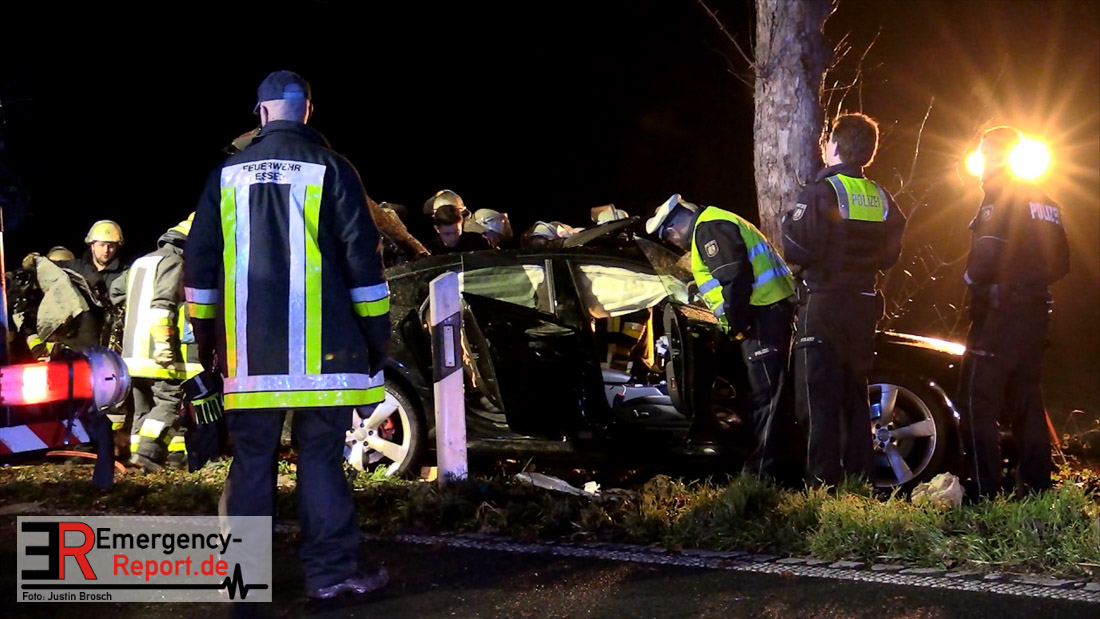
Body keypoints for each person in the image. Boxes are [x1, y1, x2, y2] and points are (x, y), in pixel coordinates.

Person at [184, 70, 392, 600]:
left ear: (260, 113)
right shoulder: (335, 170)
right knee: (320, 457)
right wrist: (376, 339)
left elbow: (200, 266)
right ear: (307, 112)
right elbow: (363, 263)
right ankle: (331, 574)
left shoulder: (225, 175)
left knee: (252, 459)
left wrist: (206, 342)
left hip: (248, 352)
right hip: (326, 353)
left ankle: (242, 578)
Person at [781, 113, 906, 487]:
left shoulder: (821, 191)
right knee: (854, 396)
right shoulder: (882, 197)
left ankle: (821, 486)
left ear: (833, 146)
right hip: (864, 304)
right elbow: (889, 256)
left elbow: (798, 248)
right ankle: (858, 483)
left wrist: (789, 222)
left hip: (824, 302)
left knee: (815, 396)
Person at [647, 194, 799, 482]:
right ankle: (774, 468)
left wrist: (736, 325)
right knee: (770, 394)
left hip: (761, 316)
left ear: (672, 229)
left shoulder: (710, 228)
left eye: (669, 237)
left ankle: (762, 476)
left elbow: (734, 279)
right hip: (769, 312)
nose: (674, 242)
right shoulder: (717, 220)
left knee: (769, 397)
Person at [956, 126, 1069, 501]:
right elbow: (1062, 262)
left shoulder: (998, 196)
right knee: (1026, 400)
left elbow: (986, 254)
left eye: (984, 153)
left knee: (977, 399)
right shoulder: (1046, 201)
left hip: (999, 315)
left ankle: (982, 491)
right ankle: (1036, 489)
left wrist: (971, 277)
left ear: (995, 154)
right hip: (1036, 313)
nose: (981, 162)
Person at [120, 215, 205, 472]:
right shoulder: (174, 262)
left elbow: (117, 293)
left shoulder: (141, 262)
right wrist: (163, 345)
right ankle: (148, 454)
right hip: (157, 353)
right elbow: (162, 305)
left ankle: (141, 460)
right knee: (170, 403)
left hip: (133, 354)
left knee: (142, 409)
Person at [58, 220, 128, 298]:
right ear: (92, 246)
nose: (106, 250)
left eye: (111, 246)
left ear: (117, 247)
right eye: (102, 245)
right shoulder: (77, 267)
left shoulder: (124, 274)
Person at [427, 203, 492, 254]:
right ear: (437, 229)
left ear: (462, 224)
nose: (453, 238)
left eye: (457, 232)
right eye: (447, 234)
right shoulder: (430, 251)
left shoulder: (479, 242)